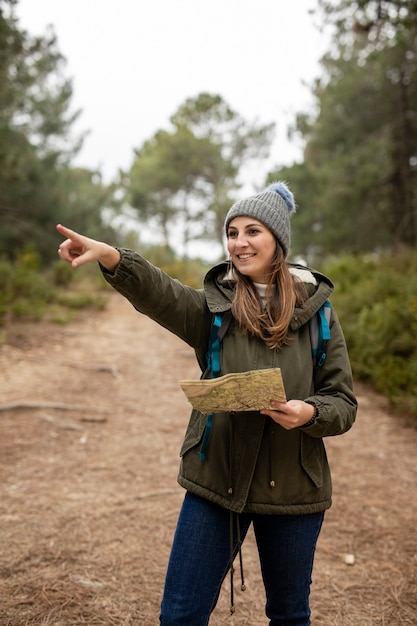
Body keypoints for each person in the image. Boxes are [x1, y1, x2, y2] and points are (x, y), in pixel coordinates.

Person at [56, 181, 357, 626]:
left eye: (252, 231)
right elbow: (159, 292)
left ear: (278, 241)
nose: (239, 242)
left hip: (295, 486)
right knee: (180, 615)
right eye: (232, 232)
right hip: (214, 479)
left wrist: (308, 413)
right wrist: (110, 256)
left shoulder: (319, 315)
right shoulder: (213, 310)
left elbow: (343, 402)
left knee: (290, 615)